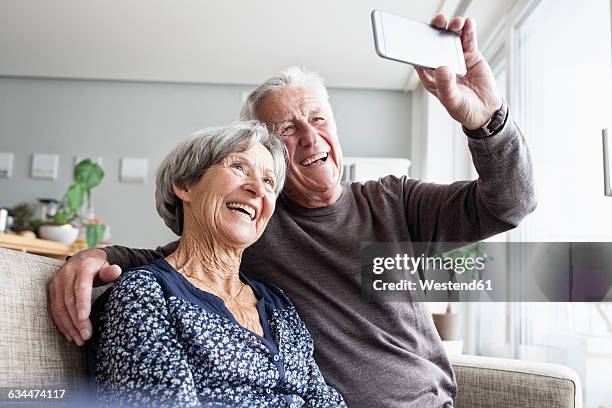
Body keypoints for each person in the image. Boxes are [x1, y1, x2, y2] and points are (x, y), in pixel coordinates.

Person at [50, 15, 536, 407]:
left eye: (319, 119)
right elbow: (179, 263)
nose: (310, 137)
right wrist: (95, 255)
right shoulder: (256, 222)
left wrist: (487, 119)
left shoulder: (396, 201)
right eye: (286, 128)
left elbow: (511, 203)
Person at [87, 121, 346, 407]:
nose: (258, 189)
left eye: (269, 182)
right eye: (238, 167)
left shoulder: (278, 305)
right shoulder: (146, 295)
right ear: (185, 184)